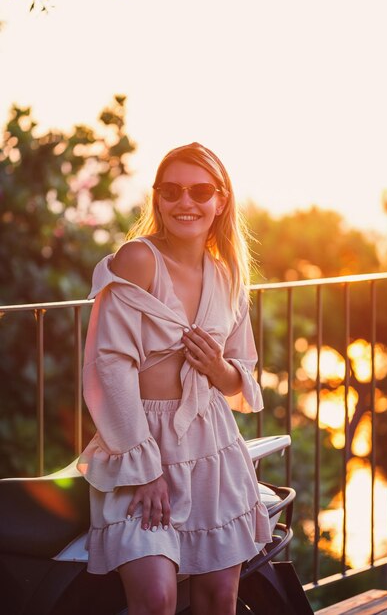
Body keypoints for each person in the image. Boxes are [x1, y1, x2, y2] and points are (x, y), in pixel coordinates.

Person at [77, 142, 272, 615]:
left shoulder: (227, 274)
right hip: (136, 443)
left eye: (200, 191)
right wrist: (144, 468)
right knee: (156, 597)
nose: (186, 202)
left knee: (217, 598)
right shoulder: (139, 260)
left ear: (221, 200)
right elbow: (109, 368)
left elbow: (239, 376)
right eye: (172, 190)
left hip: (211, 444)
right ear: (157, 198)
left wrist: (217, 368)